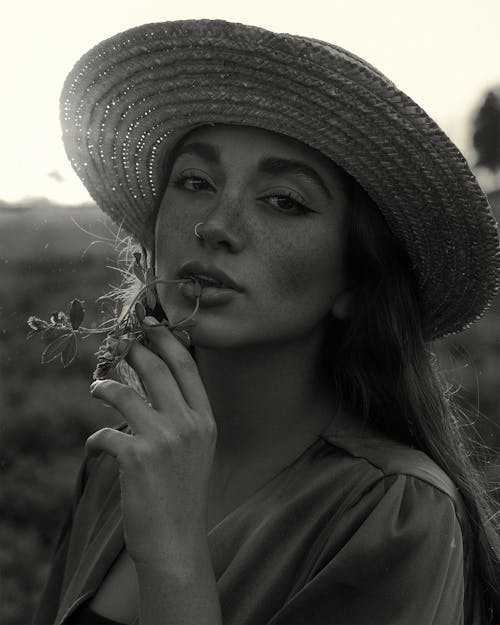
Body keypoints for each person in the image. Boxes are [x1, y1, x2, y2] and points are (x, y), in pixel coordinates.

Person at [32, 19, 500, 625]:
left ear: (355, 285)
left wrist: (173, 552)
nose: (215, 225)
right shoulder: (122, 462)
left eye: (284, 200)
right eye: (195, 182)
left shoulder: (395, 513)